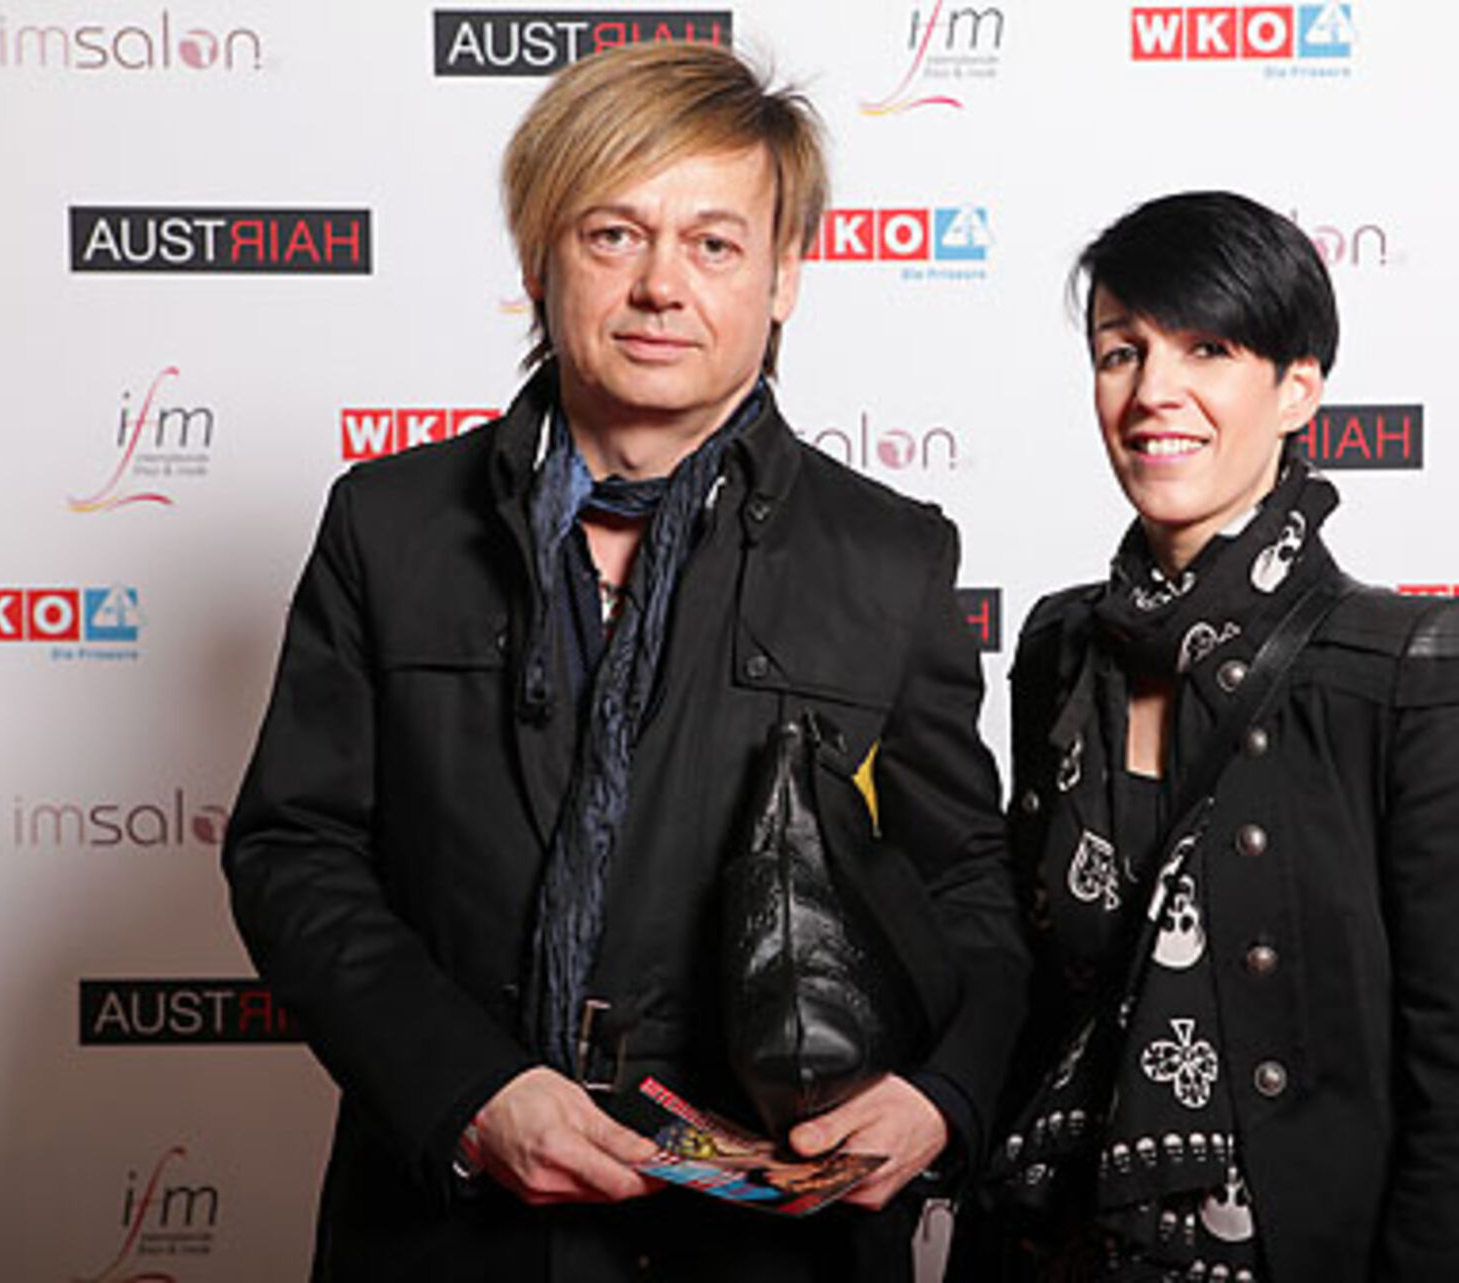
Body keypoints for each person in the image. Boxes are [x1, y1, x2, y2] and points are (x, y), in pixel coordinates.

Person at [222, 41, 1026, 1282]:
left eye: (714, 243)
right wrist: (467, 1088)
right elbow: (296, 849)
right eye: (614, 235)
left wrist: (941, 1095)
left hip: (766, 1243)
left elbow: (967, 883)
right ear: (539, 260)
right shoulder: (390, 526)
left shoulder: (890, 557)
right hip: (446, 1238)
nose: (661, 286)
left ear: (784, 276)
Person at [952, 192, 1459, 1281]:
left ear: (1297, 389)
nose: (1152, 391)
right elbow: (1031, 994)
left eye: (1208, 349)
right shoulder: (1059, 647)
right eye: (1120, 351)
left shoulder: (1403, 670)